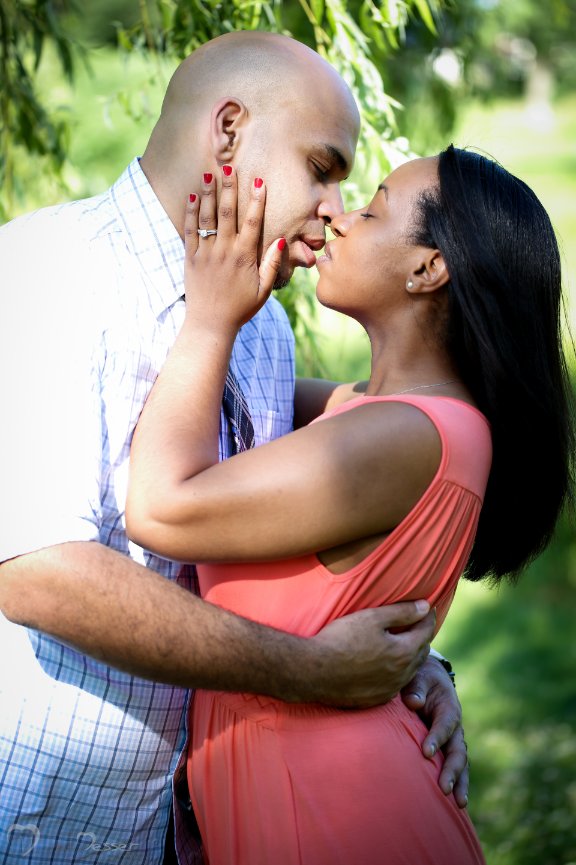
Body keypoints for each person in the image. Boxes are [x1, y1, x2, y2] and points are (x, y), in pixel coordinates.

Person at [0, 31, 468, 865]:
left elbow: (294, 538)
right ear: (227, 132)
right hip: (44, 826)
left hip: (184, 831)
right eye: (322, 168)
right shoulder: (49, 270)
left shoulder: (264, 327)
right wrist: (312, 671)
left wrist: (406, 665)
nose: (334, 207)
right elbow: (38, 572)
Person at [126, 146, 574, 865]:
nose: (339, 220)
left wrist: (211, 313)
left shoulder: (408, 433)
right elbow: (241, 395)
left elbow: (162, 507)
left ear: (428, 268)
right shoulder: (371, 413)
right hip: (307, 793)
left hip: (335, 813)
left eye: (371, 210)